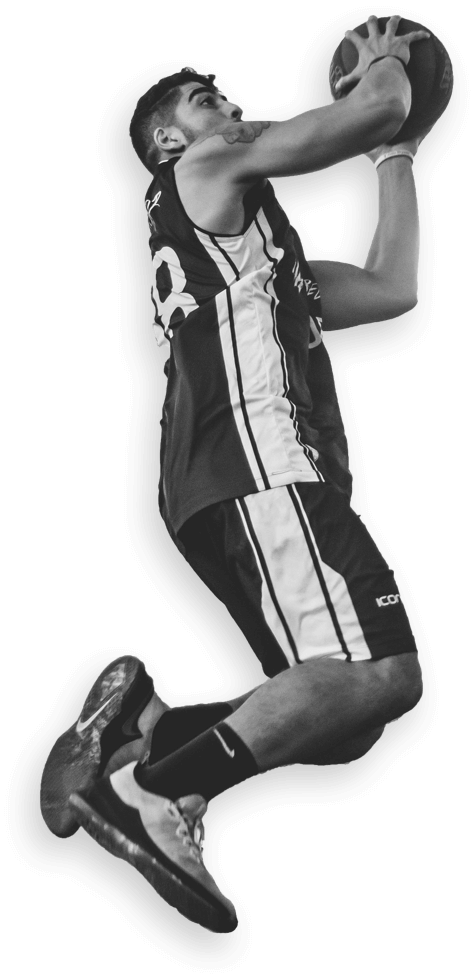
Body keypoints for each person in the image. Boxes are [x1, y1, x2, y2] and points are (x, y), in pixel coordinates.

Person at [40, 15, 428, 934]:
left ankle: (146, 731)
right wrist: (383, 74)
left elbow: (392, 287)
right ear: (169, 140)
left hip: (226, 482)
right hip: (257, 465)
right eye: (202, 97)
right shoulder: (203, 168)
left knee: (347, 728)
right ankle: (151, 791)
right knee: (387, 675)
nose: (227, 103)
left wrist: (397, 156)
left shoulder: (260, 261)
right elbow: (370, 110)